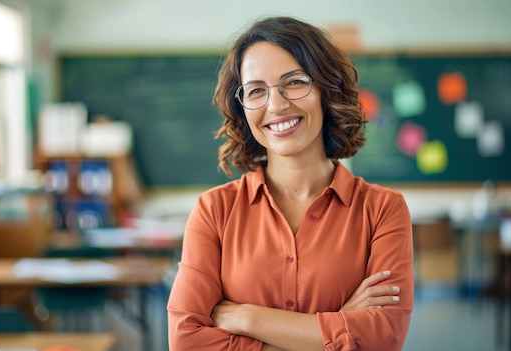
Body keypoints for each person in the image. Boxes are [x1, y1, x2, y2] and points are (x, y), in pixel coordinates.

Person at [167, 16, 413, 351]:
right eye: (256, 90)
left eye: (294, 82)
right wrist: (340, 324)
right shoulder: (214, 211)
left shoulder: (383, 210)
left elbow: (382, 339)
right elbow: (187, 340)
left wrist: (248, 318)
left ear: (327, 90)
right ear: (242, 109)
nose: (277, 105)